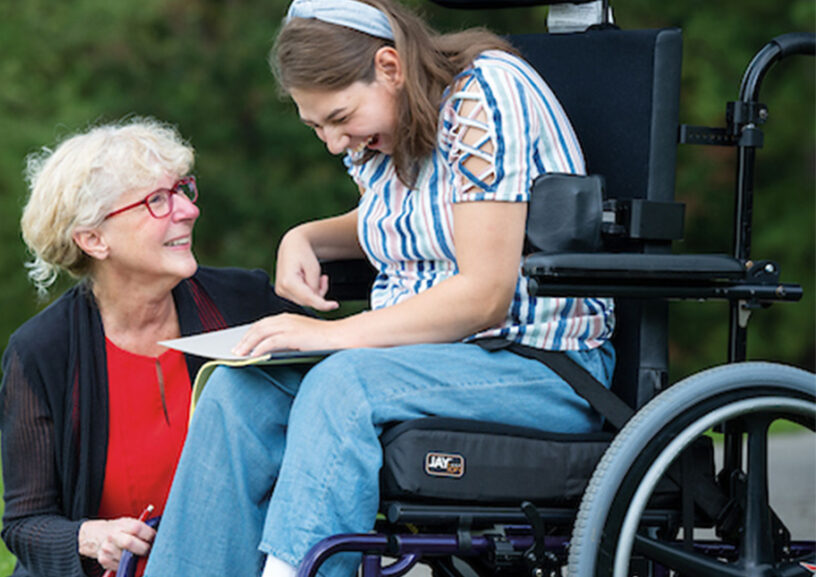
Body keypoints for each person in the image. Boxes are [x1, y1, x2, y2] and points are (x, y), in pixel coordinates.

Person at [144, 1, 616, 576]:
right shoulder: (383, 134)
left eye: (340, 118)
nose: (335, 143)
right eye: (317, 126)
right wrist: (309, 237)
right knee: (237, 395)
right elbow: (414, 221)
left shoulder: (484, 95)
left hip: (537, 365)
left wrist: (332, 334)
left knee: (344, 385)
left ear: (390, 67)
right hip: (428, 363)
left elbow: (483, 295)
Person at [0, 117, 301, 577]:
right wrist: (89, 536)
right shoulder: (41, 351)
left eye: (181, 190)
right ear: (94, 239)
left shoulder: (246, 302)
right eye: (157, 200)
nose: (188, 210)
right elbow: (25, 524)